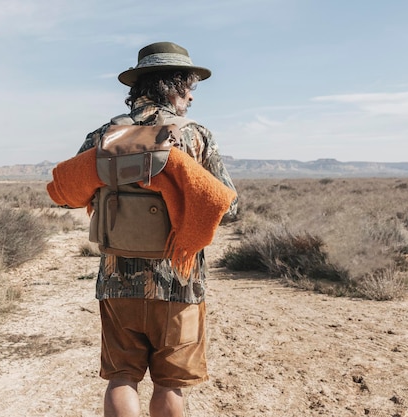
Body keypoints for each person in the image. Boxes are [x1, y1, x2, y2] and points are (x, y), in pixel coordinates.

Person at [76, 41, 238, 417]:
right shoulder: (195, 135)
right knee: (169, 384)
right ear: (174, 85)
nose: (192, 97)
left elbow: (73, 191)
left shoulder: (104, 135)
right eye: (190, 86)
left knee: (122, 378)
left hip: (117, 279)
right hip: (179, 283)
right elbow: (228, 206)